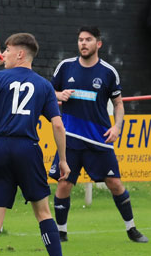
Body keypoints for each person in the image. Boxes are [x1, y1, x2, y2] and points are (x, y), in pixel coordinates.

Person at [0, 33, 79, 256]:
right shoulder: (43, 86)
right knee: (43, 212)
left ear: (20, 53)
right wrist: (63, 160)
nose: (3, 55)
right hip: (27, 148)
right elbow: (57, 125)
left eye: (7, 50)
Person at [49, 26, 147, 243]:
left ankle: (131, 229)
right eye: (80, 40)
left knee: (114, 183)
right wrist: (58, 94)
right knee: (64, 183)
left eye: (88, 39)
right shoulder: (65, 67)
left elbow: (118, 104)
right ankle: (61, 232)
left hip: (99, 139)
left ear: (98, 44)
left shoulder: (108, 72)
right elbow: (47, 92)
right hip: (71, 138)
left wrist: (117, 127)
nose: (83, 43)